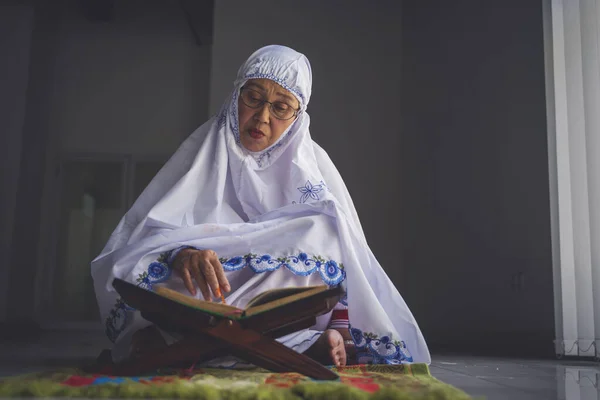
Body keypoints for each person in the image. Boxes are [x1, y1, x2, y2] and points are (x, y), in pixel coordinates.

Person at [91, 45, 430, 368]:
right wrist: (183, 254)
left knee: (325, 228)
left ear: (297, 116)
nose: (263, 117)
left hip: (270, 296)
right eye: (253, 98)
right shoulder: (201, 149)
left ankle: (180, 344)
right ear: (235, 95)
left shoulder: (315, 165)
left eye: (281, 107)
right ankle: (293, 345)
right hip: (205, 290)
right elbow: (144, 234)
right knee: (135, 267)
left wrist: (343, 327)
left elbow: (351, 257)